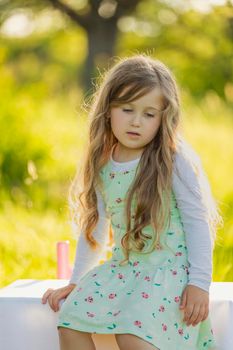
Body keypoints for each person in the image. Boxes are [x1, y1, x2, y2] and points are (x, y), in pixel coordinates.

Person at [41, 54, 223, 350]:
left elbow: (196, 223)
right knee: (69, 319)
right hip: (124, 267)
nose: (137, 121)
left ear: (164, 118)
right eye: (127, 109)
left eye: (149, 114)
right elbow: (96, 227)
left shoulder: (173, 160)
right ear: (108, 109)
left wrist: (200, 284)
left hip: (168, 269)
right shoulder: (103, 163)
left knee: (131, 335)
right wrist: (77, 280)